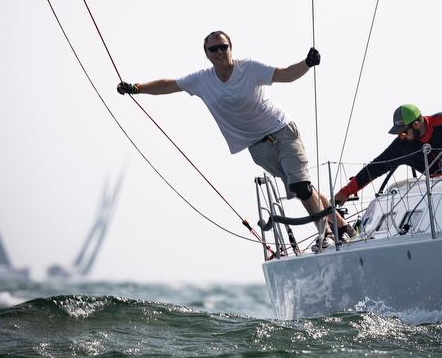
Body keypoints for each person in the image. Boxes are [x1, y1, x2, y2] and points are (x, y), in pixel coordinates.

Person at [116, 30, 353, 250]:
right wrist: (136, 88)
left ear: (231, 48)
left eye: (224, 47)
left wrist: (307, 63)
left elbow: (285, 75)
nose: (220, 52)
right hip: (258, 147)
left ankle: (326, 235)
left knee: (301, 186)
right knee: (302, 188)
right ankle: (343, 227)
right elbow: (168, 85)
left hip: (282, 131)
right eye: (214, 49)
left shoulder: (248, 68)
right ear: (206, 54)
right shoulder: (201, 80)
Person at [334, 104, 442, 204]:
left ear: (416, 125)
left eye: (403, 132)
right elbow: (375, 167)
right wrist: (346, 192)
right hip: (441, 192)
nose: (401, 136)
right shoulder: (403, 144)